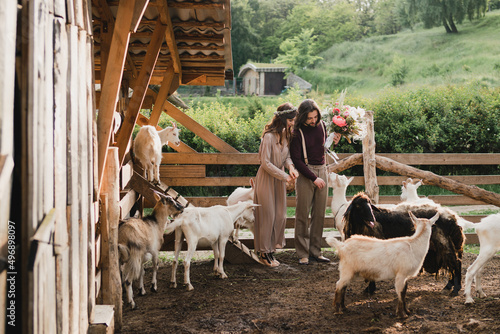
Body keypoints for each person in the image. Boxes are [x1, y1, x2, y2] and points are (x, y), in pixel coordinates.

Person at [290, 99, 341, 265]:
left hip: (322, 169)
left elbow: (323, 149)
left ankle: (316, 251)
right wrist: (314, 178)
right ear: (302, 117)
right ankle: (302, 253)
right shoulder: (297, 132)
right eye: (310, 118)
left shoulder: (322, 126)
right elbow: (296, 160)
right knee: (302, 215)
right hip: (306, 172)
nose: (313, 120)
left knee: (319, 214)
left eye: (315, 117)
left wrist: (334, 141)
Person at [253, 103, 299, 267]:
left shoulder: (286, 135)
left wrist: (291, 168)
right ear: (283, 119)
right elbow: (265, 163)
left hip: (279, 179)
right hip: (266, 179)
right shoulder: (269, 137)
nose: (293, 123)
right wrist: (284, 175)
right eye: (291, 120)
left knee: (280, 216)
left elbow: (286, 157)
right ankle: (263, 253)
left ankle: (271, 250)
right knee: (268, 216)